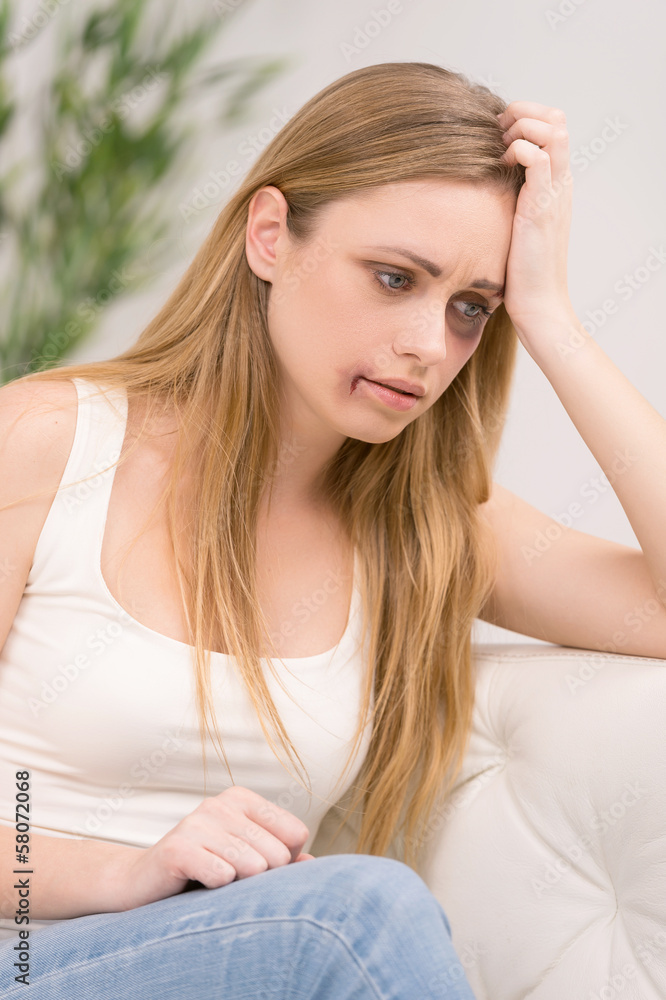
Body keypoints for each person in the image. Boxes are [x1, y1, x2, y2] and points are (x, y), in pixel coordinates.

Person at [1, 59, 665, 999]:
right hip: (21, 951)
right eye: (395, 278)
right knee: (353, 914)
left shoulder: (432, 527)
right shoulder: (44, 442)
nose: (430, 346)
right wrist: (121, 870)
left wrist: (552, 318)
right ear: (270, 236)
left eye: (471, 307)